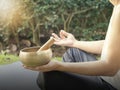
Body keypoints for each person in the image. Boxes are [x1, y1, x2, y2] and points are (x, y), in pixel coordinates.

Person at [24, 0, 120, 90]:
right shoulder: (117, 6)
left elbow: (110, 68)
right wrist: (75, 43)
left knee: (48, 75)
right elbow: (112, 46)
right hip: (109, 78)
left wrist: (58, 66)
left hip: (111, 85)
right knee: (74, 52)